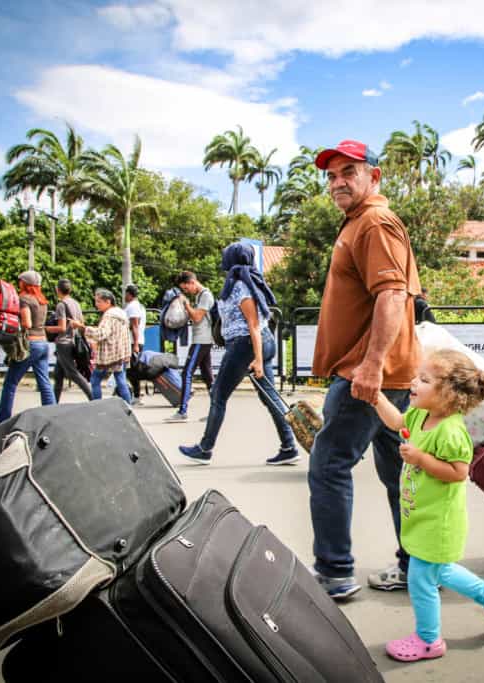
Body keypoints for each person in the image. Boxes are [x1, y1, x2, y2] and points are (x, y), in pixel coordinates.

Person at [308, 140, 423, 600]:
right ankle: (416, 567)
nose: (338, 182)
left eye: (348, 172)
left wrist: (370, 367)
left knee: (329, 464)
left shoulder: (373, 222)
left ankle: (334, 573)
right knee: (400, 475)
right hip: (387, 375)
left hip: (368, 376)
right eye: (332, 175)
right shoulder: (359, 223)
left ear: (374, 177)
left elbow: (392, 295)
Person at [373, 349, 484, 662]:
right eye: (417, 376)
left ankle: (428, 640)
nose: (414, 382)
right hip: (422, 515)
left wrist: (421, 459)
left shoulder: (451, 431)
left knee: (421, 579)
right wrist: (375, 396)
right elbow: (396, 422)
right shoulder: (421, 414)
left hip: (439, 521)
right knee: (441, 571)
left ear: (449, 393)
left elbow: (458, 473)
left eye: (424, 379)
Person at [178, 243, 298, 465]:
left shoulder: (240, 286)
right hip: (258, 343)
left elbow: (252, 324)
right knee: (270, 398)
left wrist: (258, 360)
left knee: (218, 394)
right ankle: (289, 446)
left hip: (246, 345)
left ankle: (205, 449)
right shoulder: (249, 281)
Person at [0, 271, 56, 422]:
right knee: (45, 383)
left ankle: (2, 418)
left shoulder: (24, 299)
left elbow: (27, 323)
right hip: (43, 343)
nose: (18, 283)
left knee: (10, 383)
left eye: (20, 281)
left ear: (25, 283)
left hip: (31, 344)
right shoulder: (42, 300)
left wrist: (13, 322)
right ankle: (53, 414)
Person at [165, 271, 215, 423]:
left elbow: (197, 317)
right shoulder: (200, 296)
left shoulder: (206, 295)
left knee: (186, 372)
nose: (186, 291)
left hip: (202, 340)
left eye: (186, 288)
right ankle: (216, 412)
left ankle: (182, 411)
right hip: (202, 339)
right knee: (207, 376)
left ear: (192, 282)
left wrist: (185, 303)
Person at [70, 289, 132, 404]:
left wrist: (82, 327)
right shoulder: (121, 314)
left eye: (99, 301)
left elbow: (101, 333)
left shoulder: (108, 316)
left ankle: (97, 405)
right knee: (121, 380)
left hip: (108, 354)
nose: (96, 304)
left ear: (108, 302)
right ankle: (128, 407)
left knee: (95, 379)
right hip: (121, 353)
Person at [46, 278, 93, 401]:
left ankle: (93, 397)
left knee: (73, 373)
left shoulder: (61, 305)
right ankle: (54, 402)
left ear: (58, 290)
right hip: (73, 341)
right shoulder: (76, 303)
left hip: (63, 343)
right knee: (58, 374)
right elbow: (81, 323)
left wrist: (45, 328)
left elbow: (61, 328)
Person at [124, 284, 146, 405]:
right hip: (135, 341)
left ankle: (136, 396)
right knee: (131, 370)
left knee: (131, 370)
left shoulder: (133, 307)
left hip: (133, 342)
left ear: (129, 294)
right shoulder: (138, 306)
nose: (124, 296)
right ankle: (135, 394)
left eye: (125, 293)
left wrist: (136, 344)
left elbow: (135, 326)